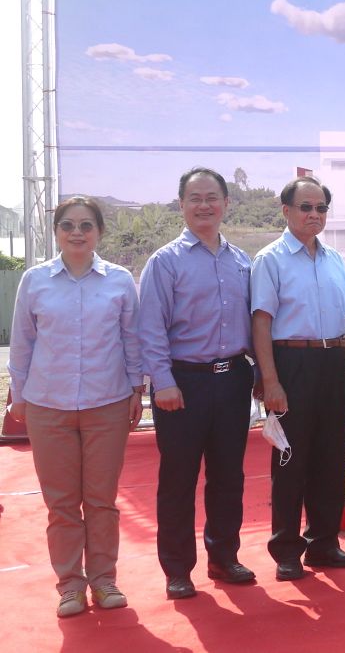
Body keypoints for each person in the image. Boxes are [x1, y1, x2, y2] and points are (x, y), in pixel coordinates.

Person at [7, 197, 143, 617]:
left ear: (99, 231)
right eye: (68, 225)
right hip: (49, 406)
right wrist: (20, 395)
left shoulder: (120, 281)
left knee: (101, 500)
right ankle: (70, 584)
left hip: (108, 403)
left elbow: (131, 339)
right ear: (56, 231)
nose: (77, 232)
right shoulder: (35, 281)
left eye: (86, 225)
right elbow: (22, 342)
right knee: (62, 503)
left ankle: (104, 580)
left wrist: (137, 388)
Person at [139, 168, 256, 600]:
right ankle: (177, 569)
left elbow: (254, 324)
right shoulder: (164, 262)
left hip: (233, 381)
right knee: (178, 480)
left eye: (212, 197)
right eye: (194, 198)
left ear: (226, 203)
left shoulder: (242, 261)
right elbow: (150, 329)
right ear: (182, 204)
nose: (204, 205)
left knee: (229, 477)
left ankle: (224, 558)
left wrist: (260, 375)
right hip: (182, 383)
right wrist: (163, 383)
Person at [252, 176, 345, 581]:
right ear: (286, 211)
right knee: (290, 461)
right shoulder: (271, 259)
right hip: (291, 365)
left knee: (331, 459)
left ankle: (324, 544)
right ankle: (286, 549)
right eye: (305, 207)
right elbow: (261, 324)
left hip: (333, 363)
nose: (314, 215)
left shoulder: (334, 259)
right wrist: (271, 380)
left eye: (320, 208)